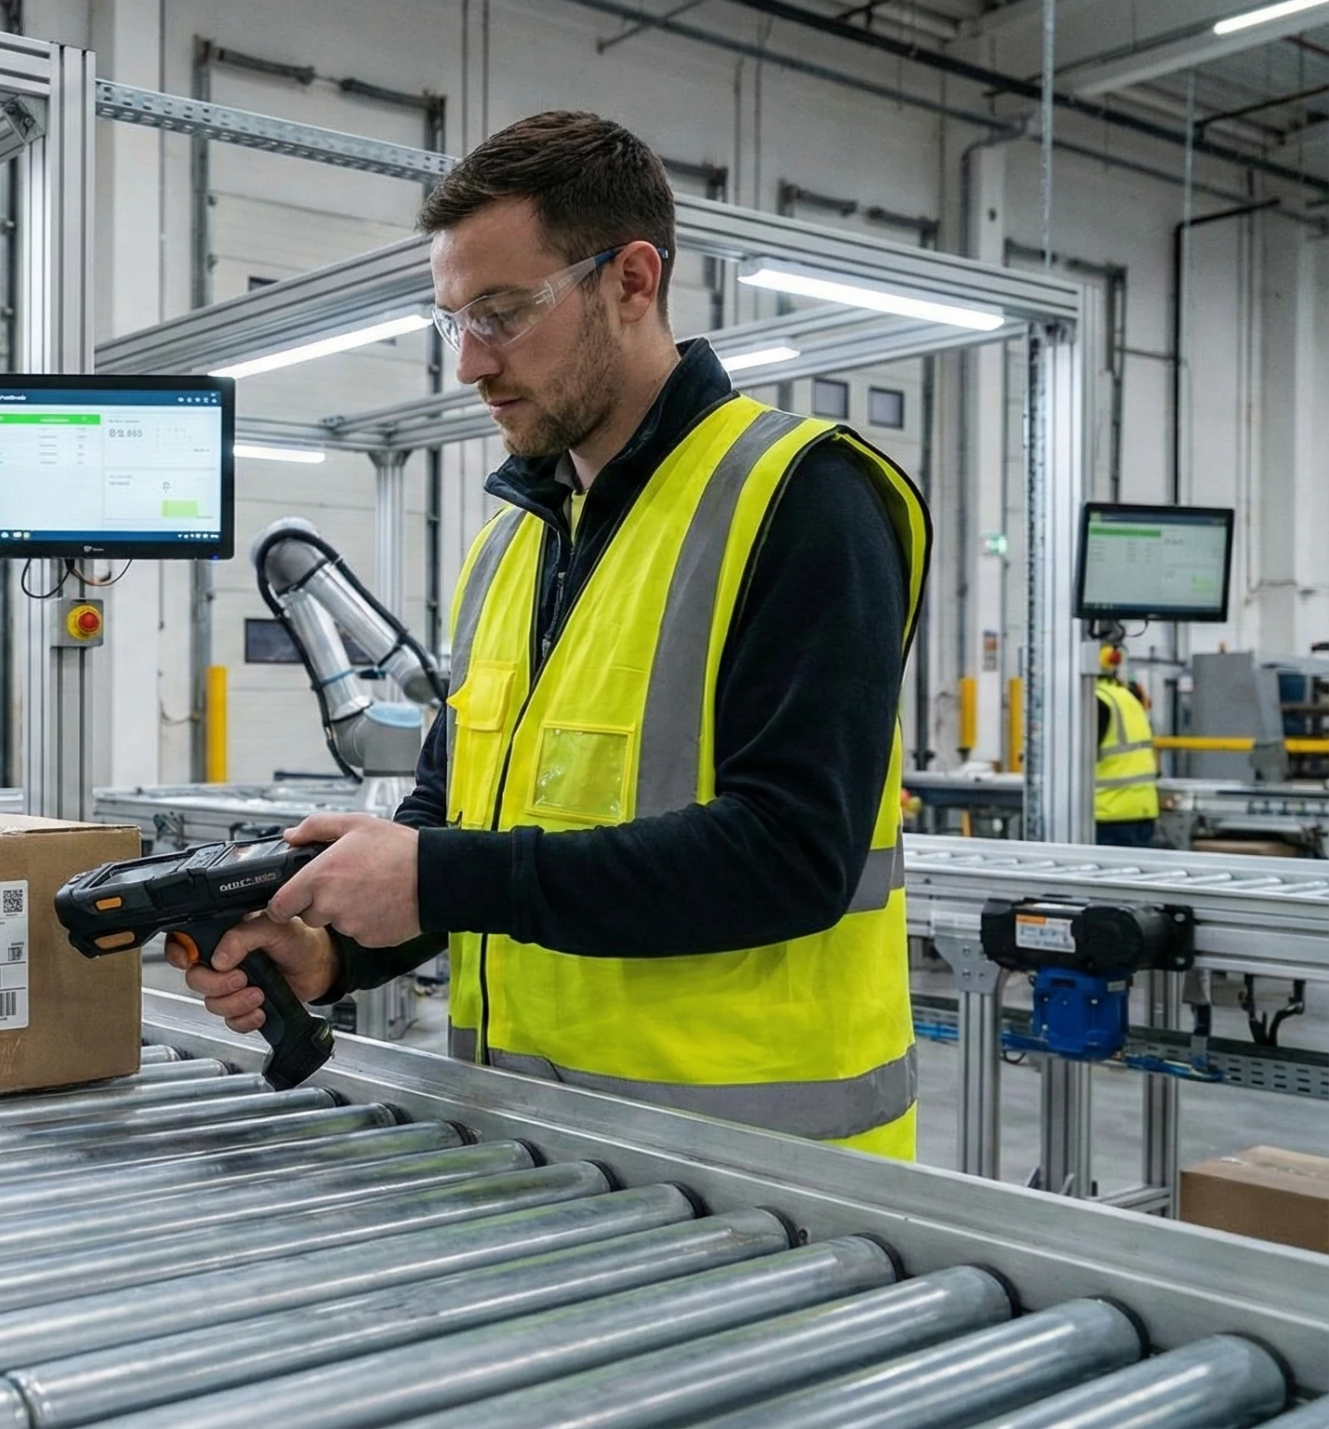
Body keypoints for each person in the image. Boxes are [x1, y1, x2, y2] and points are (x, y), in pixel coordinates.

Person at [172, 110, 931, 1159]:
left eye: (503, 312)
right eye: (454, 320)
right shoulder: (509, 548)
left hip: (761, 1190)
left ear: (631, 280)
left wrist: (437, 876)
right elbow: (459, 813)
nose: (470, 364)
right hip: (538, 1158)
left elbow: (789, 853)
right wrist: (334, 955)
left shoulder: (800, 498)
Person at [1094, 645, 1159, 848]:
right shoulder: (1127, 698)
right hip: (1142, 811)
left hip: (1108, 816)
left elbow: (1073, 759)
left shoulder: (1096, 701)